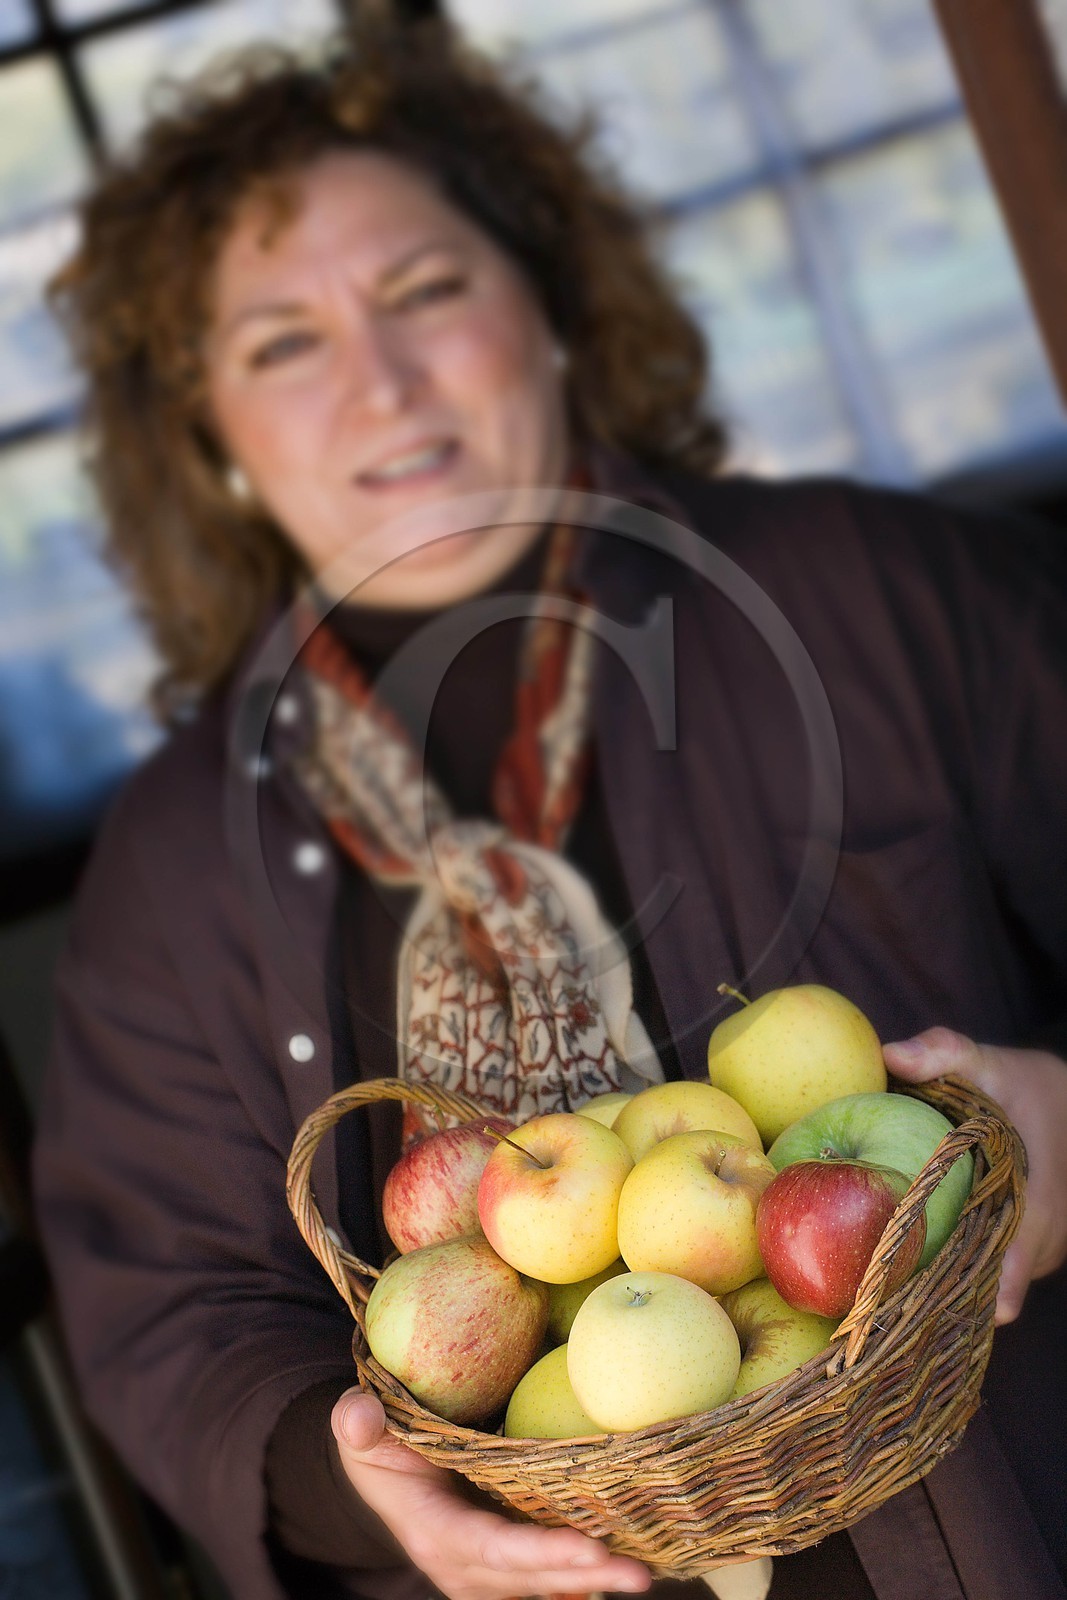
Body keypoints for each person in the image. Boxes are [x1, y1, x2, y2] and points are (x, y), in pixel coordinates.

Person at [32, 14, 1067, 1600]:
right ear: (213, 443)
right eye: (281, 344)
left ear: (554, 308)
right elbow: (168, 1314)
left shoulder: (878, 593)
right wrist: (366, 1483)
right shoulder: (176, 867)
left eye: (426, 291)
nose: (380, 385)